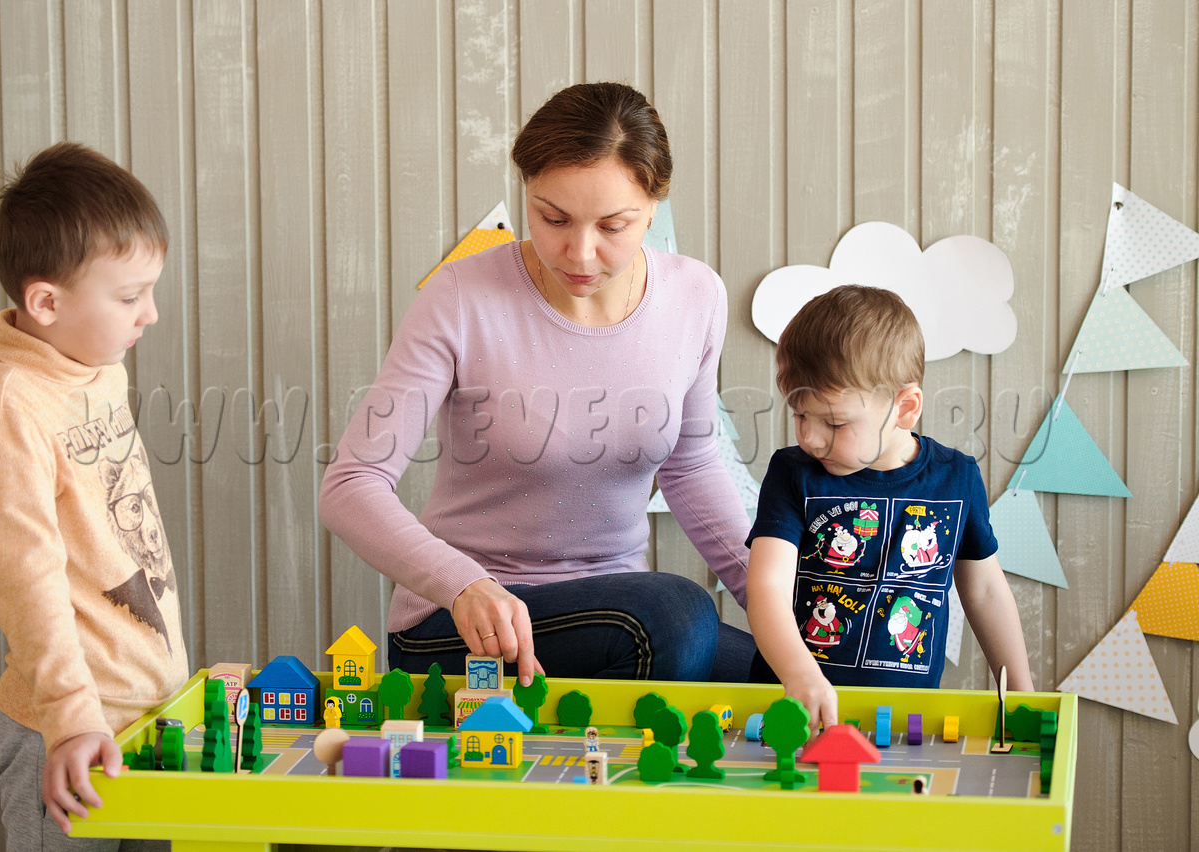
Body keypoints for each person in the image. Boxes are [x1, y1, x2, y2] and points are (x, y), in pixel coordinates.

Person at [319, 82, 755, 686]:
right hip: (466, 624)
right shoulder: (460, 297)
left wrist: (783, 612)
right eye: (554, 218)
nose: (580, 252)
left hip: (622, 617)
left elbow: (692, 468)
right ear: (526, 191)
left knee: (811, 669)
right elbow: (350, 485)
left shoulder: (696, 296)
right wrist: (464, 584)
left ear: (654, 205)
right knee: (677, 615)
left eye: (613, 226)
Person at [0, 141, 185, 848]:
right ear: (46, 303)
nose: (150, 314)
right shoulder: (11, 406)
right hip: (66, 734)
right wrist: (69, 716)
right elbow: (24, 574)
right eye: (129, 296)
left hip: (146, 715)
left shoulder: (95, 365)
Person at [745, 284, 1033, 731]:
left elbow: (986, 592)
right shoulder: (792, 473)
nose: (810, 438)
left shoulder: (956, 479)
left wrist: (1022, 697)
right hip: (791, 712)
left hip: (902, 723)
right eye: (800, 414)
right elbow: (767, 585)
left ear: (905, 408)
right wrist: (800, 674)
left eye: (834, 422)